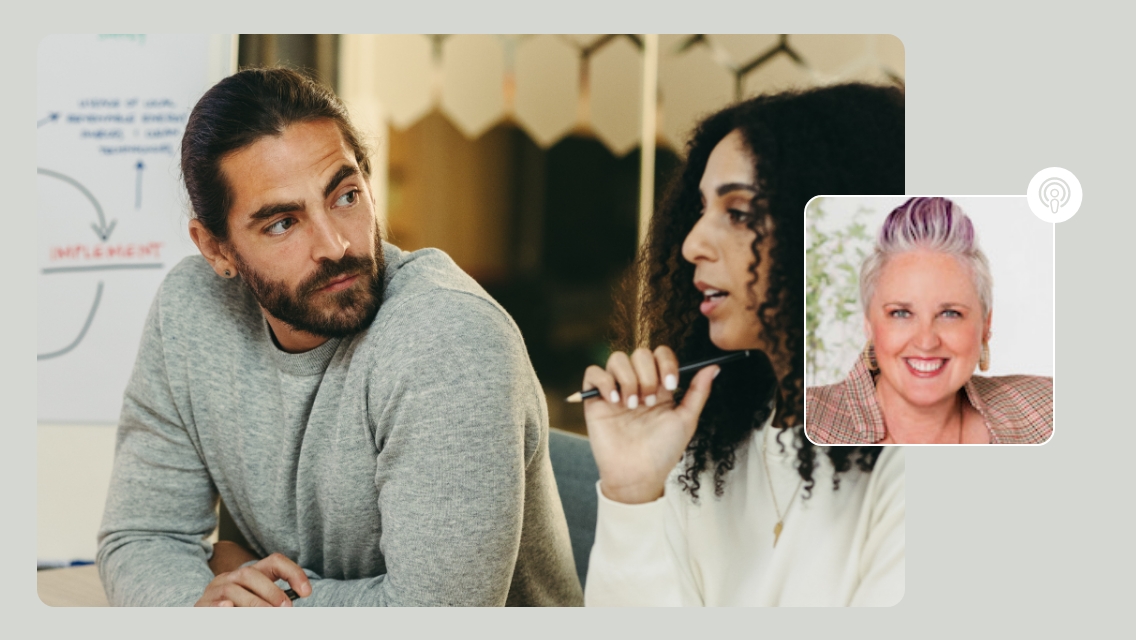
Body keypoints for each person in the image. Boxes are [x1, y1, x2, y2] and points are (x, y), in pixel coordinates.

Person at [96, 67, 583, 607]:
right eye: (282, 223)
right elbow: (140, 537)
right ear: (217, 250)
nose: (334, 244)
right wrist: (199, 608)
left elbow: (436, 618)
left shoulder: (449, 338)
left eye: (345, 195)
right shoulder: (190, 311)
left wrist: (259, 595)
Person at [579, 84, 906, 606]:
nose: (691, 244)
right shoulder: (711, 439)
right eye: (702, 208)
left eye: (739, 213)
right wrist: (632, 492)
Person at [806, 197, 1053, 445]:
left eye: (950, 314)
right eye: (901, 313)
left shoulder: (1049, 409)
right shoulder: (802, 423)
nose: (926, 342)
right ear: (869, 322)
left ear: (986, 326)